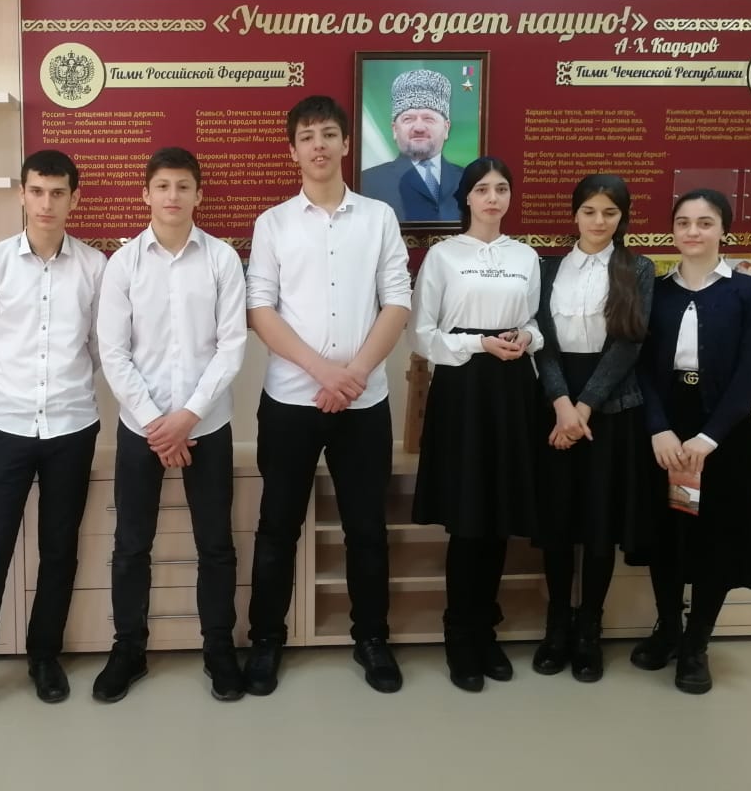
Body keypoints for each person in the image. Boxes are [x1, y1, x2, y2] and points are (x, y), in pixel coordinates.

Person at [0, 150, 106, 738]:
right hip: (7, 427)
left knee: (59, 550)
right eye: (37, 191)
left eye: (58, 192)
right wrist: (21, 387)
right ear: (22, 195)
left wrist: (58, 390)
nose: (47, 203)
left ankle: (43, 656)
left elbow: (99, 348)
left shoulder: (95, 267)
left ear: (75, 197)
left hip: (72, 427)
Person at [245, 95, 411, 696]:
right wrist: (323, 371)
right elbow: (259, 309)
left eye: (328, 134)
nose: (318, 145)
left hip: (363, 404)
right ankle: (266, 640)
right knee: (277, 526)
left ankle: (372, 638)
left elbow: (398, 300)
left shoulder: (379, 218)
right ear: (292, 150)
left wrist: (355, 374)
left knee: (366, 528)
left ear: (345, 144)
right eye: (307, 136)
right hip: (291, 401)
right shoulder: (273, 223)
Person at [93, 147, 248, 702]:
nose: (173, 196)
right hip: (142, 428)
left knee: (216, 544)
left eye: (183, 186)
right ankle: (128, 649)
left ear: (199, 194)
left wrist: (187, 417)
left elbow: (232, 347)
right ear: (146, 194)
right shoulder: (123, 263)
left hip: (207, 423)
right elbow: (113, 353)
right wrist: (158, 423)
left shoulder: (223, 260)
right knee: (131, 544)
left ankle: (219, 649)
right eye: (162, 186)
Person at [631, 189, 751, 695]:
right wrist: (658, 427)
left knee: (715, 540)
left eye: (705, 222)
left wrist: (709, 438)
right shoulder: (655, 291)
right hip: (665, 431)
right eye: (683, 222)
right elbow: (641, 368)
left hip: (722, 434)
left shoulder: (748, 293)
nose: (693, 231)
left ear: (723, 231)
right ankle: (668, 627)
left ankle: (696, 643)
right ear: (672, 230)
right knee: (667, 534)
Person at [410, 157, 542, 693]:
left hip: (512, 391)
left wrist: (525, 337)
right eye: (482, 189)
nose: (493, 198)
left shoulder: (526, 256)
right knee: (468, 519)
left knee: (499, 516)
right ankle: (459, 633)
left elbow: (534, 321)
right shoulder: (443, 256)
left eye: (501, 189)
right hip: (463, 389)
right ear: (465, 197)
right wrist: (478, 343)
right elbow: (422, 334)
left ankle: (486, 629)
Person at [531, 174, 655, 682]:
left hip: (611, 408)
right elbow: (541, 339)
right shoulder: (546, 268)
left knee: (601, 523)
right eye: (589, 211)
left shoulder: (638, 268)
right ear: (574, 214)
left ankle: (589, 630)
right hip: (554, 403)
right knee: (557, 523)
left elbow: (628, 345)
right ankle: (557, 624)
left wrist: (583, 409)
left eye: (609, 212)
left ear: (622, 217)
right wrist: (562, 404)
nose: (599, 221)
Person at [360, 68, 463, 222]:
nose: (419, 128)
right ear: (395, 130)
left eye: (428, 119)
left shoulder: (468, 179)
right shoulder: (368, 182)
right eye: (408, 119)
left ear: (446, 128)